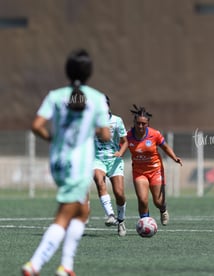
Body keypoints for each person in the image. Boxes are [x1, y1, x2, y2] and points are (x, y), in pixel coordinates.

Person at [22, 49, 111, 276]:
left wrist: (53, 139)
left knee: (82, 211)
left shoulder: (55, 95)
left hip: (59, 163)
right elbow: (105, 135)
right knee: (65, 215)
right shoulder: (97, 98)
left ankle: (67, 267)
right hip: (79, 166)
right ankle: (35, 264)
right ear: (89, 72)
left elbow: (36, 126)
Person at [127, 105, 182, 226]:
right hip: (139, 172)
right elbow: (120, 148)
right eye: (138, 123)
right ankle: (145, 223)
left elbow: (165, 147)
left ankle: (163, 209)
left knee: (158, 202)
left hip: (155, 170)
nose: (140, 126)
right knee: (142, 199)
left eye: (143, 124)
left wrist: (174, 157)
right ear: (134, 122)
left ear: (148, 124)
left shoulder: (155, 134)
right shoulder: (128, 136)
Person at [92, 95, 128, 237]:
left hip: (114, 160)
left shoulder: (117, 121)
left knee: (119, 193)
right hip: (97, 159)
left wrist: (121, 152)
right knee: (99, 181)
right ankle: (111, 215)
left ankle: (121, 220)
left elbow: (125, 141)